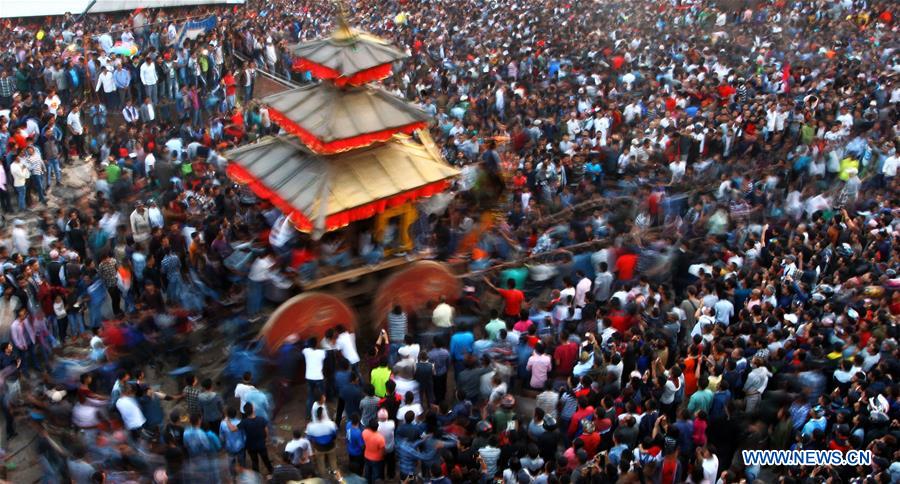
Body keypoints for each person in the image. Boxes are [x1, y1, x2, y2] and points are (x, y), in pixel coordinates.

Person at [238, 402, 272, 475]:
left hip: (250, 445)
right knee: (266, 459)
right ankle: (271, 472)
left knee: (254, 461)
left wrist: (227, 420)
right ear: (253, 409)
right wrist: (266, 439)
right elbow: (266, 430)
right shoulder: (261, 419)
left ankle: (256, 477)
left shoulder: (244, 422)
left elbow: (233, 429)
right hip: (261, 444)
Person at [306, 407, 337, 478]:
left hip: (319, 448)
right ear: (323, 415)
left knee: (321, 464)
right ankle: (335, 477)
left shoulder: (310, 426)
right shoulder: (331, 424)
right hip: (330, 446)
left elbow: (309, 437)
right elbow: (334, 435)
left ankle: (324, 479)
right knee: (333, 461)